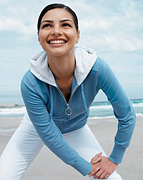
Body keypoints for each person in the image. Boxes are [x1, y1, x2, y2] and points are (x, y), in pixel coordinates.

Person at [0, 3, 136, 180]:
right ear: (39, 37)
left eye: (65, 24)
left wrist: (114, 159)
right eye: (47, 25)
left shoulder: (97, 69)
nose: (56, 31)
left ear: (78, 35)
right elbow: (49, 135)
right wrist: (85, 166)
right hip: (35, 127)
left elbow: (127, 115)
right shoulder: (30, 82)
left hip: (76, 128)